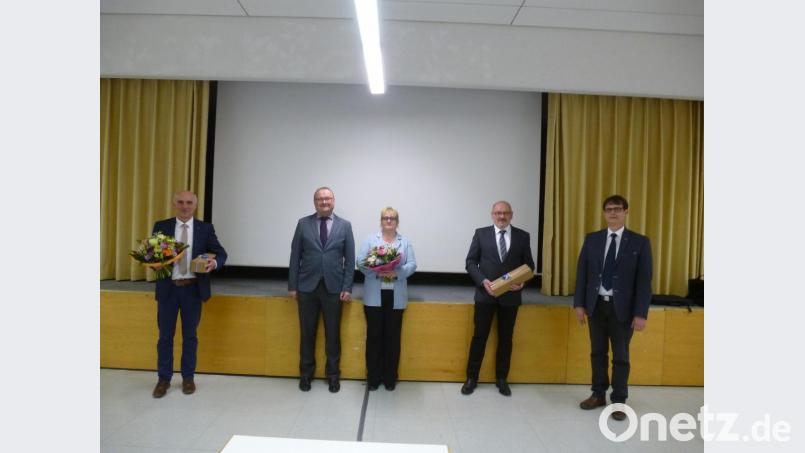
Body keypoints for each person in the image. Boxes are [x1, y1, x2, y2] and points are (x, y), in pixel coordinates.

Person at [573, 195, 652, 421]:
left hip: (623, 311)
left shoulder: (639, 242)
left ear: (626, 211)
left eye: (618, 209)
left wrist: (640, 313)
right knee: (597, 352)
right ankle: (598, 394)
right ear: (604, 213)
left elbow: (644, 282)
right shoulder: (592, 239)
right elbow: (582, 275)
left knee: (621, 356)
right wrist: (579, 304)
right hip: (596, 307)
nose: (613, 213)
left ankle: (619, 401)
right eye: (609, 209)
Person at [151, 190, 228, 398]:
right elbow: (152, 257)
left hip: (193, 291)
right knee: (165, 337)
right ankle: (163, 379)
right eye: (181, 202)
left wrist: (214, 262)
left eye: (189, 203)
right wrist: (155, 265)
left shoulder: (205, 228)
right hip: (168, 290)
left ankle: (188, 378)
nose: (185, 206)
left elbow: (221, 253)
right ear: (174, 203)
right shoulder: (162, 226)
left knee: (190, 337)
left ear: (195, 205)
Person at [462, 201, 535, 396]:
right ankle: (471, 378)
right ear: (492, 215)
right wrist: (482, 281)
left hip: (510, 298)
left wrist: (522, 283)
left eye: (505, 213)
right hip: (485, 295)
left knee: (506, 339)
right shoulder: (481, 234)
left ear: (512, 215)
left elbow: (530, 266)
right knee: (479, 337)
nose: (501, 216)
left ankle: (502, 379)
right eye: (498, 213)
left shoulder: (522, 236)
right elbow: (470, 262)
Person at [289, 187, 355, 393]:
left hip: (334, 289)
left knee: (333, 335)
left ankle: (333, 375)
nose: (324, 202)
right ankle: (306, 375)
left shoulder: (345, 226)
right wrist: (293, 286)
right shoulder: (303, 224)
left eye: (327, 198)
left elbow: (350, 259)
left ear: (333, 200)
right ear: (314, 202)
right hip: (307, 288)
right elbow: (294, 257)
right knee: (307, 334)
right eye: (320, 199)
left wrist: (347, 286)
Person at [356, 207, 417, 391]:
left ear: (397, 222)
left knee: (392, 338)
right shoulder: (370, 240)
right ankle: (373, 378)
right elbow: (359, 261)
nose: (388, 221)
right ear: (381, 221)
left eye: (392, 218)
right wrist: (377, 271)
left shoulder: (404, 242)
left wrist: (396, 272)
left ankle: (390, 378)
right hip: (374, 294)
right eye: (385, 218)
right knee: (374, 337)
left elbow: (413, 264)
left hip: (396, 295)